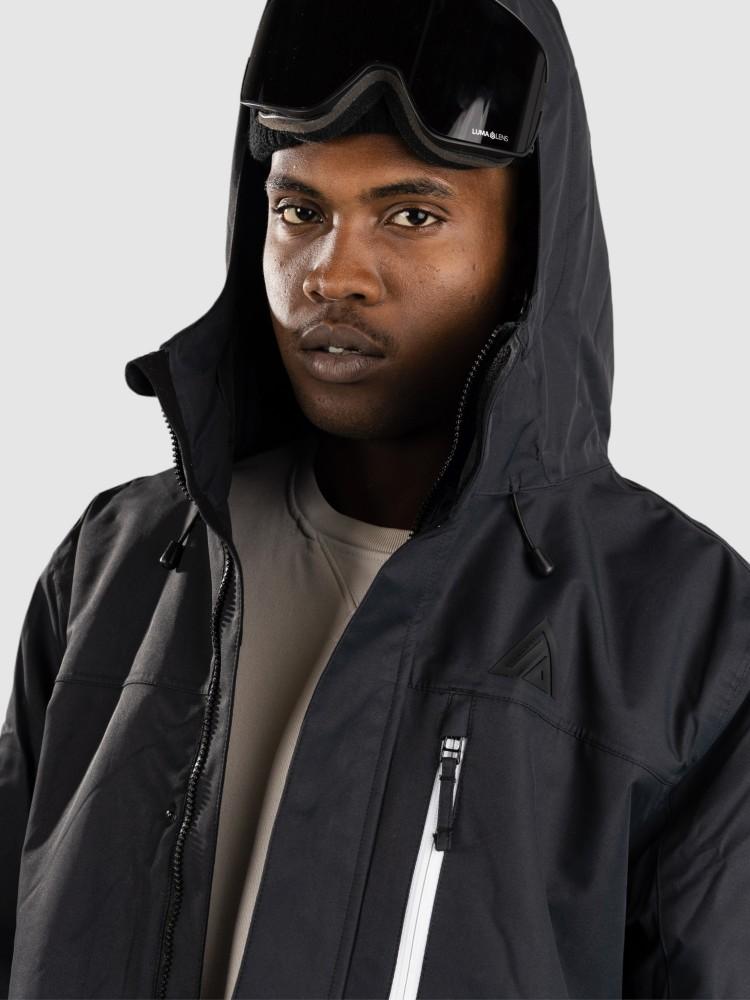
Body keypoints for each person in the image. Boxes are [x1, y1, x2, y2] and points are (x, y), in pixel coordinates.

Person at [3, 1, 750, 999]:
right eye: (300, 211)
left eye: (412, 215)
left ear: (529, 251)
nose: (334, 274)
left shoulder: (687, 635)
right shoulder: (117, 565)